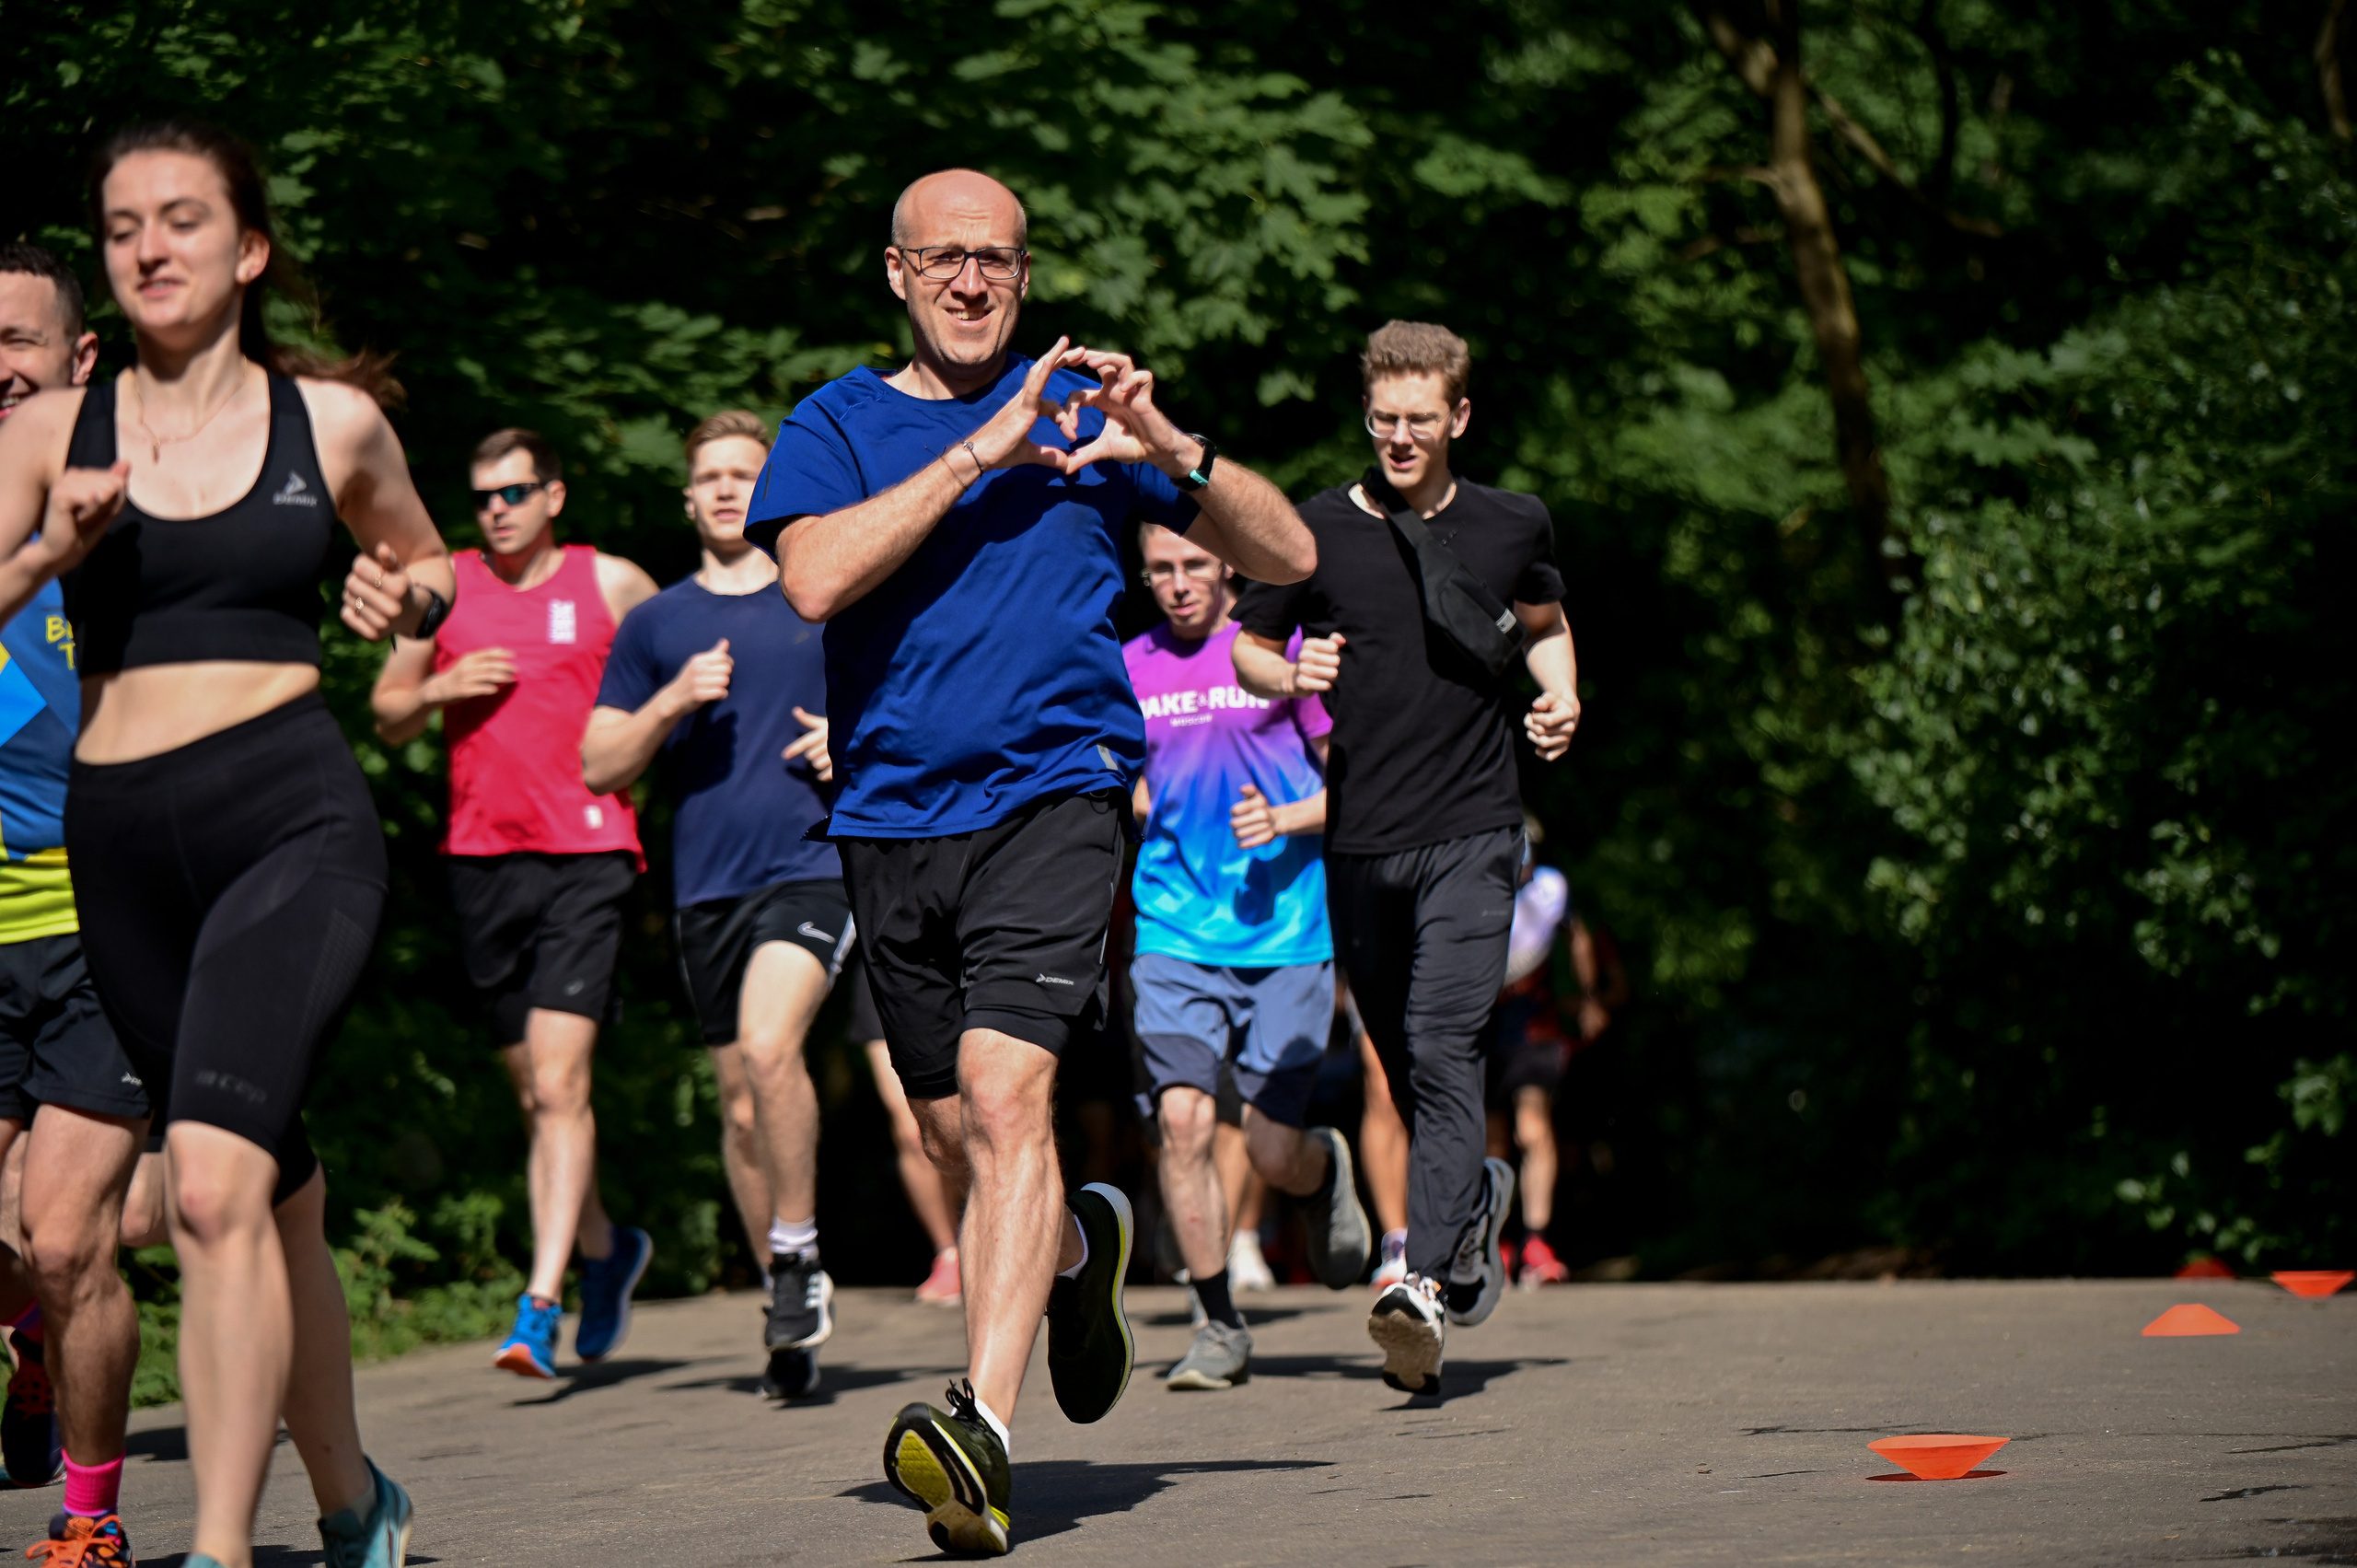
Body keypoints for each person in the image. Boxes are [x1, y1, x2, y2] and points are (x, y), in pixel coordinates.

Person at [748, 168, 1315, 1556]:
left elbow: (1290, 548)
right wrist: (979, 454)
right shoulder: (839, 420)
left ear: (1023, 272)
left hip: (1057, 804)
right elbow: (813, 581)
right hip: (889, 822)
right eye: (943, 259)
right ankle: (1076, 1249)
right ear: (896, 271)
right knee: (954, 1133)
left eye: (996, 260)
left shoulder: (1088, 427)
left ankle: (981, 1430)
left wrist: (1160, 442)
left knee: (1009, 1101)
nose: (970, 282)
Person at [0, 118, 457, 1568]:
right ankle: (352, 1502)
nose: (150, 246)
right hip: (119, 848)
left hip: (287, 820)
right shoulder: (38, 437)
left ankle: (216, 1546)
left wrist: (413, 603)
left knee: (202, 1184)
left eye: (183, 219)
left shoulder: (329, 424)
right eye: (125, 224)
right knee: (278, 1188)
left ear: (246, 247)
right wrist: (42, 559)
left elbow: (428, 558)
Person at [1234, 319, 1580, 1397]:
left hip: (1475, 831)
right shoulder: (1312, 531)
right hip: (1360, 841)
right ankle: (1468, 1202)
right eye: (1382, 419)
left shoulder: (1509, 520)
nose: (1397, 436)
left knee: (1442, 1039)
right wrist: (1290, 674)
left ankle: (1419, 1279)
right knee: (1399, 1057)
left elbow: (1543, 620)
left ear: (1457, 417)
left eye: (1417, 420)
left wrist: (1563, 692)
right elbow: (1246, 644)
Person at [370, 427, 656, 1380]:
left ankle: (539, 1304)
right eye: (484, 493)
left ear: (555, 495)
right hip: (482, 859)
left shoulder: (609, 583)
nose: (497, 507)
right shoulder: (446, 585)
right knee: (536, 1090)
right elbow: (387, 705)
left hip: (588, 853)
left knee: (561, 1078)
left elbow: (685, 663)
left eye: (516, 491)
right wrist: (441, 682)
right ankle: (608, 1246)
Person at [582, 409, 856, 1398]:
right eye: (712, 477)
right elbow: (596, 761)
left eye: (747, 473)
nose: (730, 489)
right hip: (707, 888)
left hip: (816, 863)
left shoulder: (817, 592)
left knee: (773, 1043)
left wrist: (848, 741)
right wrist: (669, 702)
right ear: (688, 496)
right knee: (741, 1108)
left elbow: (904, 699)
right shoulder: (656, 625)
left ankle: (792, 1253)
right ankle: (792, 1298)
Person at [0, 240, 170, 1543]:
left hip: (98, 922)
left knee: (68, 1241)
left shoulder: (141, 505)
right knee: (13, 1252)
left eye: (19, 339)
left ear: (80, 357)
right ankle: (40, 1347)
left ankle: (88, 1519)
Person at [1125, 518, 1370, 1391]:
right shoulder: (1129, 668)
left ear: (1226, 563)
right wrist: (1133, 787)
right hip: (1173, 932)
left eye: (1193, 564)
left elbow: (1358, 783)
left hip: (1287, 933)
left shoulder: (1277, 651)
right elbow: (1114, 768)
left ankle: (1322, 1165)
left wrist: (1286, 819)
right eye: (1160, 569)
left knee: (1270, 1150)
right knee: (1184, 1121)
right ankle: (1217, 1320)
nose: (1179, 583)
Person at [1482, 830, 1612, 1287]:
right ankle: (1493, 1241)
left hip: (1533, 1025)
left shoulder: (1550, 891)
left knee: (1531, 1127)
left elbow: (1578, 937)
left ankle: (1535, 1242)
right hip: (1481, 1026)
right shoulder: (1471, 887)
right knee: (1492, 1141)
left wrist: (1590, 995)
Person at [844, 960, 967, 1307]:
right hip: (884, 962)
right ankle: (949, 1253)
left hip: (965, 959)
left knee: (970, 1122)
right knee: (914, 1131)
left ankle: (988, 1239)